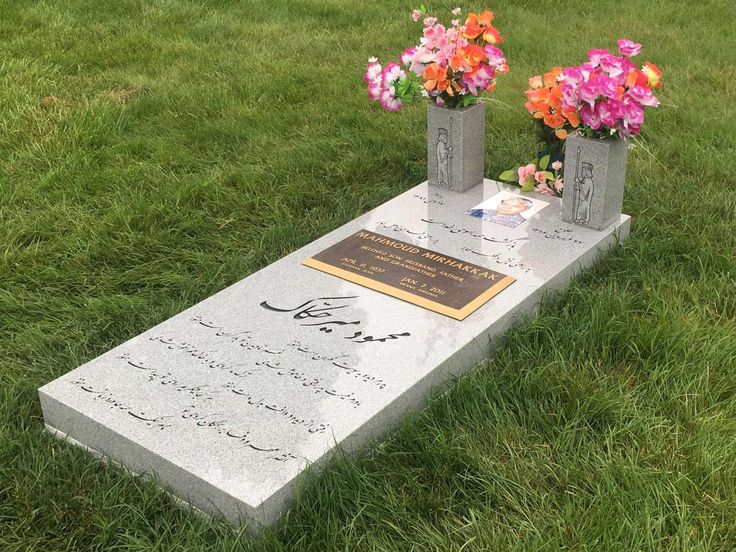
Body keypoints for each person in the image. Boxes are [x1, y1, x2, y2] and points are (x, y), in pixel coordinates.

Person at [466, 197, 534, 228]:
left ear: (525, 209)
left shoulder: (520, 223)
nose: (506, 207)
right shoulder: (479, 211)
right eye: (505, 204)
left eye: (515, 206)